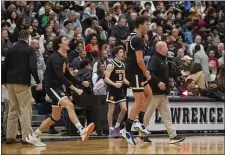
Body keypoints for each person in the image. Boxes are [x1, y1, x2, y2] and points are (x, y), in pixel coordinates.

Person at [26, 36, 95, 147]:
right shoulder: (54, 58)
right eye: (65, 40)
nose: (68, 41)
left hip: (57, 87)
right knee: (70, 105)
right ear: (59, 44)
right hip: (52, 87)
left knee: (55, 117)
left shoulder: (63, 58)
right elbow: (61, 77)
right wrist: (75, 89)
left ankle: (33, 136)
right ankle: (82, 130)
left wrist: (81, 83)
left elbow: (67, 75)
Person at [2, 30, 42, 144]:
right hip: (22, 82)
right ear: (28, 38)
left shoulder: (11, 49)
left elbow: (4, 66)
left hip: (10, 82)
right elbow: (33, 68)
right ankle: (26, 137)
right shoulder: (29, 49)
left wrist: (4, 81)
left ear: (19, 37)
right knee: (25, 109)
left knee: (12, 109)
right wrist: (38, 82)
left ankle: (10, 135)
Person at [144, 41, 185, 144]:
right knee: (148, 114)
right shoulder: (154, 59)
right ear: (160, 49)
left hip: (163, 92)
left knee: (166, 115)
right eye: (166, 47)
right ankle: (141, 135)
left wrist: (180, 73)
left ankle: (173, 136)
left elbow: (168, 73)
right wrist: (158, 82)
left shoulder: (164, 59)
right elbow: (149, 73)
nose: (167, 49)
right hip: (155, 92)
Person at [121, 15, 152, 145]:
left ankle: (138, 121)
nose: (148, 27)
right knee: (139, 101)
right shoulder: (137, 39)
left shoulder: (132, 36)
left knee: (149, 94)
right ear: (140, 25)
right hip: (135, 71)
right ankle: (127, 130)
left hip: (135, 70)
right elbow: (139, 60)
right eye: (147, 24)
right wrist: (146, 72)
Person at [104, 46, 129, 138]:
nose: (123, 54)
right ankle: (111, 129)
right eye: (121, 52)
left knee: (124, 109)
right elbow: (106, 79)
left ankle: (117, 127)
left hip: (120, 90)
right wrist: (114, 84)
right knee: (111, 110)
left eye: (123, 52)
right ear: (116, 54)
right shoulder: (111, 65)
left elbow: (124, 79)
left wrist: (131, 84)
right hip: (112, 90)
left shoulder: (123, 64)